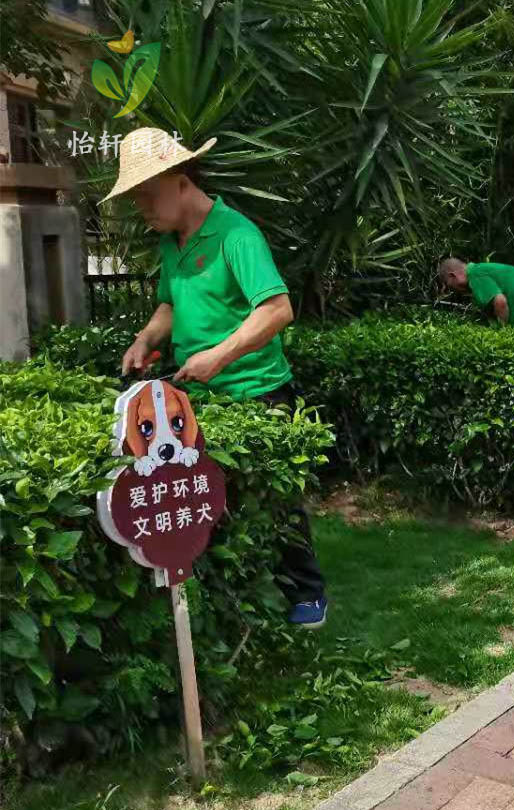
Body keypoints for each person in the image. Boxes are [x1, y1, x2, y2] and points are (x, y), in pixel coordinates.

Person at [108, 127, 328, 628]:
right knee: (208, 496)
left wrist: (219, 357)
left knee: (278, 504)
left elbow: (276, 310)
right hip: (198, 397)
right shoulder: (171, 244)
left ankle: (307, 594)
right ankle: (238, 597)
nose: (141, 207)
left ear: (179, 179)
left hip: (257, 393)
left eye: (146, 193)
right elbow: (170, 304)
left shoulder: (236, 235)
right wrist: (146, 339)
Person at [438, 258, 514, 327]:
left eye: (449, 285)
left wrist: (502, 332)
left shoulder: (475, 275)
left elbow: (500, 302)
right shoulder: (482, 269)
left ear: (453, 275)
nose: (452, 290)